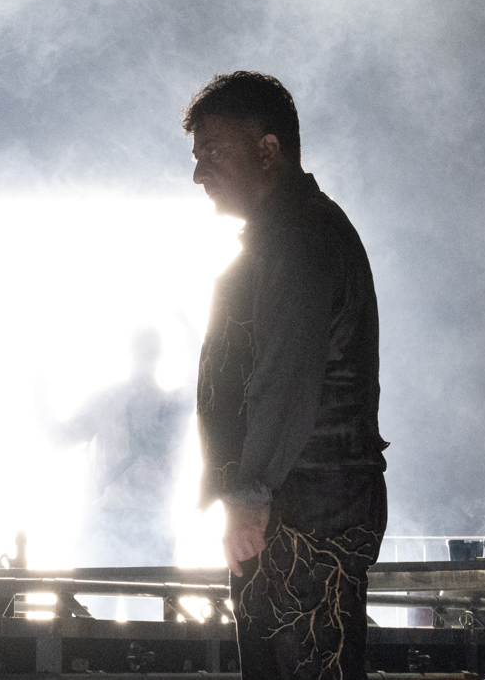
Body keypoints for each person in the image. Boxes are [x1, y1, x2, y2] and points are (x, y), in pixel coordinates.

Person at [186, 72, 386, 680]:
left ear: (268, 149)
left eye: (213, 151)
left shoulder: (301, 238)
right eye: (196, 157)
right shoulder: (287, 237)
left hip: (302, 516)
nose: (198, 174)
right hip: (294, 510)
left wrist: (250, 495)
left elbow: (285, 378)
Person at [41, 327, 188, 567]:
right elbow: (60, 439)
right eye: (144, 353)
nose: (145, 360)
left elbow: (60, 438)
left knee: (107, 590)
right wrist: (38, 396)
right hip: (120, 525)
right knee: (116, 590)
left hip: (138, 527)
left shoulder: (170, 407)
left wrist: (38, 395)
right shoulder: (169, 407)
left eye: (148, 353)